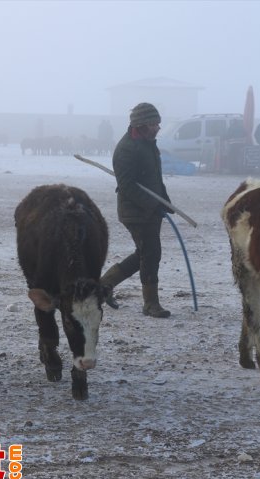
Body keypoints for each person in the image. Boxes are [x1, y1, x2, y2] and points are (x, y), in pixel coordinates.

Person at [100, 102, 173, 318]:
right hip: (135, 212)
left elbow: (155, 179)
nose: (158, 127)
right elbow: (127, 186)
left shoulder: (149, 144)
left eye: (158, 123)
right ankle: (151, 304)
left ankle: (104, 285)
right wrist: (152, 204)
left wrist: (164, 201)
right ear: (141, 125)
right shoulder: (126, 149)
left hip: (151, 209)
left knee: (145, 253)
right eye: (154, 124)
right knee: (150, 253)